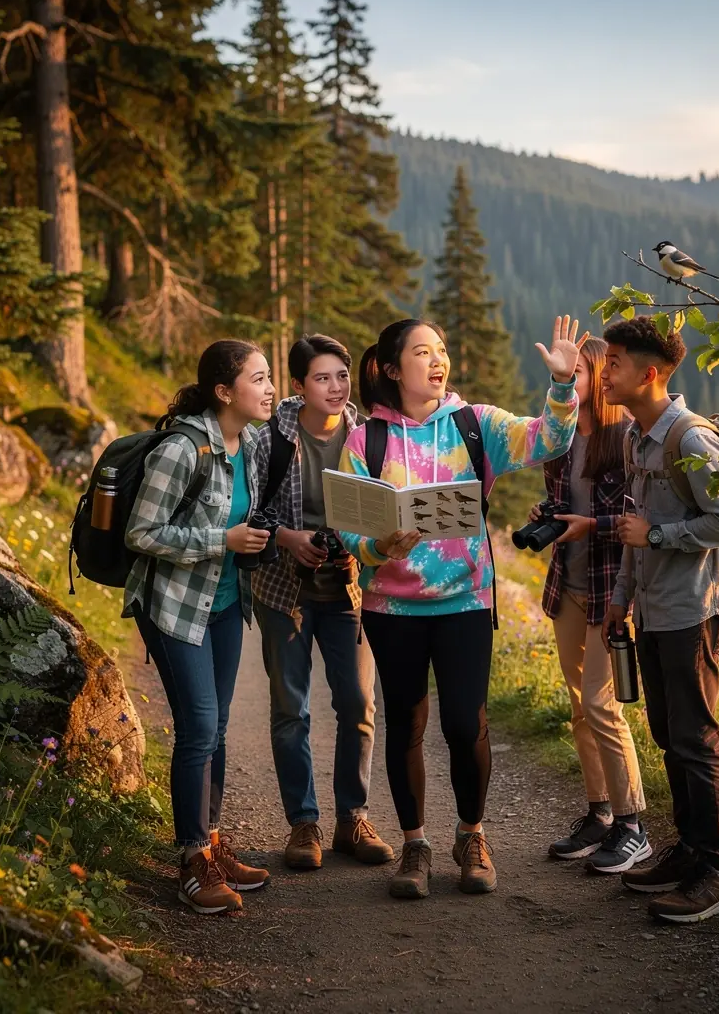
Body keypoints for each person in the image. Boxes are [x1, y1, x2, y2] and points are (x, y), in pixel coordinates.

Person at [337, 315, 585, 900]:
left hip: (466, 603)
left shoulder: (477, 425)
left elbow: (549, 439)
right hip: (391, 608)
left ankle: (471, 835)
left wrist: (561, 384)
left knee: (464, 723)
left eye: (442, 350)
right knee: (406, 724)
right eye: (422, 352)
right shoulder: (365, 439)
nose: (437, 360)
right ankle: (415, 845)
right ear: (394, 369)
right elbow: (350, 529)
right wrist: (378, 546)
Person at [599, 316, 719, 924]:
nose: (604, 372)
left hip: (694, 610)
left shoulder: (690, 438)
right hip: (655, 611)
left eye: (613, 362)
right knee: (668, 733)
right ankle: (688, 852)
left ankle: (716, 872)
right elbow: (637, 530)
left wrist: (659, 534)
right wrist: (620, 595)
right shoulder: (639, 437)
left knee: (696, 738)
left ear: (649, 373)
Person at [123, 340, 274, 916]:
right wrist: (222, 541)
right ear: (223, 391)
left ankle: (210, 843)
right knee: (198, 727)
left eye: (269, 378)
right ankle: (190, 861)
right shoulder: (183, 450)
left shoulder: (251, 440)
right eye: (257, 380)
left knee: (217, 727)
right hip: (174, 606)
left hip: (228, 604)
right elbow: (142, 534)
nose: (268, 388)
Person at [252, 334, 393, 871]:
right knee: (292, 709)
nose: (335, 388)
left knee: (358, 705)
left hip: (349, 588)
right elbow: (247, 508)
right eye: (321, 378)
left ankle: (351, 818)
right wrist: (289, 538)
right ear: (297, 386)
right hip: (282, 590)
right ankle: (303, 823)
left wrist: (361, 549)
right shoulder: (270, 439)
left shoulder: (366, 436)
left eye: (341, 376)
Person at [534, 336, 649, 871]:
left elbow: (635, 519)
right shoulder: (560, 440)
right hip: (569, 588)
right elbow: (562, 504)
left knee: (604, 706)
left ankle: (633, 824)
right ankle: (599, 814)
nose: (569, 381)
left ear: (602, 379)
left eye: (577, 372)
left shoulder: (625, 438)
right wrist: (548, 516)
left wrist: (589, 525)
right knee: (581, 705)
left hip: (610, 592)